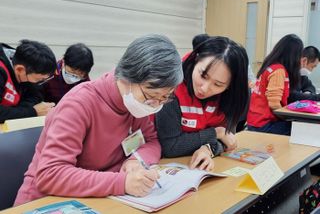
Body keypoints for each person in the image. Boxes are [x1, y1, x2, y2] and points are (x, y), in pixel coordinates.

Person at [14, 34, 183, 205]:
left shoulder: (135, 106)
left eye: (165, 98)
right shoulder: (80, 104)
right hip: (46, 201)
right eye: (151, 96)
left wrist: (136, 159)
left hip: (98, 198)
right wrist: (122, 183)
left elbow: (152, 141)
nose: (155, 105)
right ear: (127, 76)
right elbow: (51, 174)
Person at [155, 36, 249, 171]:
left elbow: (229, 140)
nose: (204, 88)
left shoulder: (229, 98)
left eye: (218, 84)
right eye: (203, 76)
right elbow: (171, 146)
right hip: (167, 165)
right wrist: (216, 133)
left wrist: (208, 149)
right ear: (195, 60)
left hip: (199, 169)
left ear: (230, 86)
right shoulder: (171, 89)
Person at [247, 34, 303, 135]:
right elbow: (273, 104)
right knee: (302, 130)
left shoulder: (270, 67)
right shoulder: (278, 71)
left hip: (255, 122)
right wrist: (287, 116)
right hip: (264, 125)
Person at [0, 40, 57, 123]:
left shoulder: (29, 66)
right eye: (39, 80)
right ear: (20, 69)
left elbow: (35, 96)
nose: (39, 83)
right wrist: (32, 112)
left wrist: (20, 111)